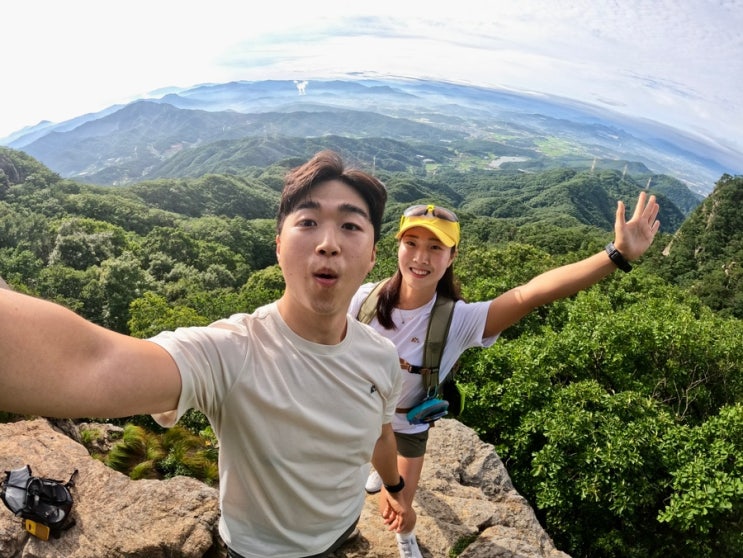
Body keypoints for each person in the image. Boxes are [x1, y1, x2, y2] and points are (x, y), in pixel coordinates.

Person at [0, 150, 415, 557]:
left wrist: (395, 489)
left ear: (374, 254)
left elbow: (380, 432)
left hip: (343, 528)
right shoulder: (231, 352)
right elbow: (89, 362)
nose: (328, 243)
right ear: (277, 247)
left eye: (350, 226)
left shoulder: (379, 356)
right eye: (308, 222)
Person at [348, 193, 661, 558]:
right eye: (411, 243)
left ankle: (406, 538)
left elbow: (529, 295)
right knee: (376, 477)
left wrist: (615, 256)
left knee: (401, 506)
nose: (420, 257)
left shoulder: (458, 320)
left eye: (436, 247)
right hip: (361, 418)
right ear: (397, 246)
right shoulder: (363, 299)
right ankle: (380, 470)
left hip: (409, 425)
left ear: (452, 258)